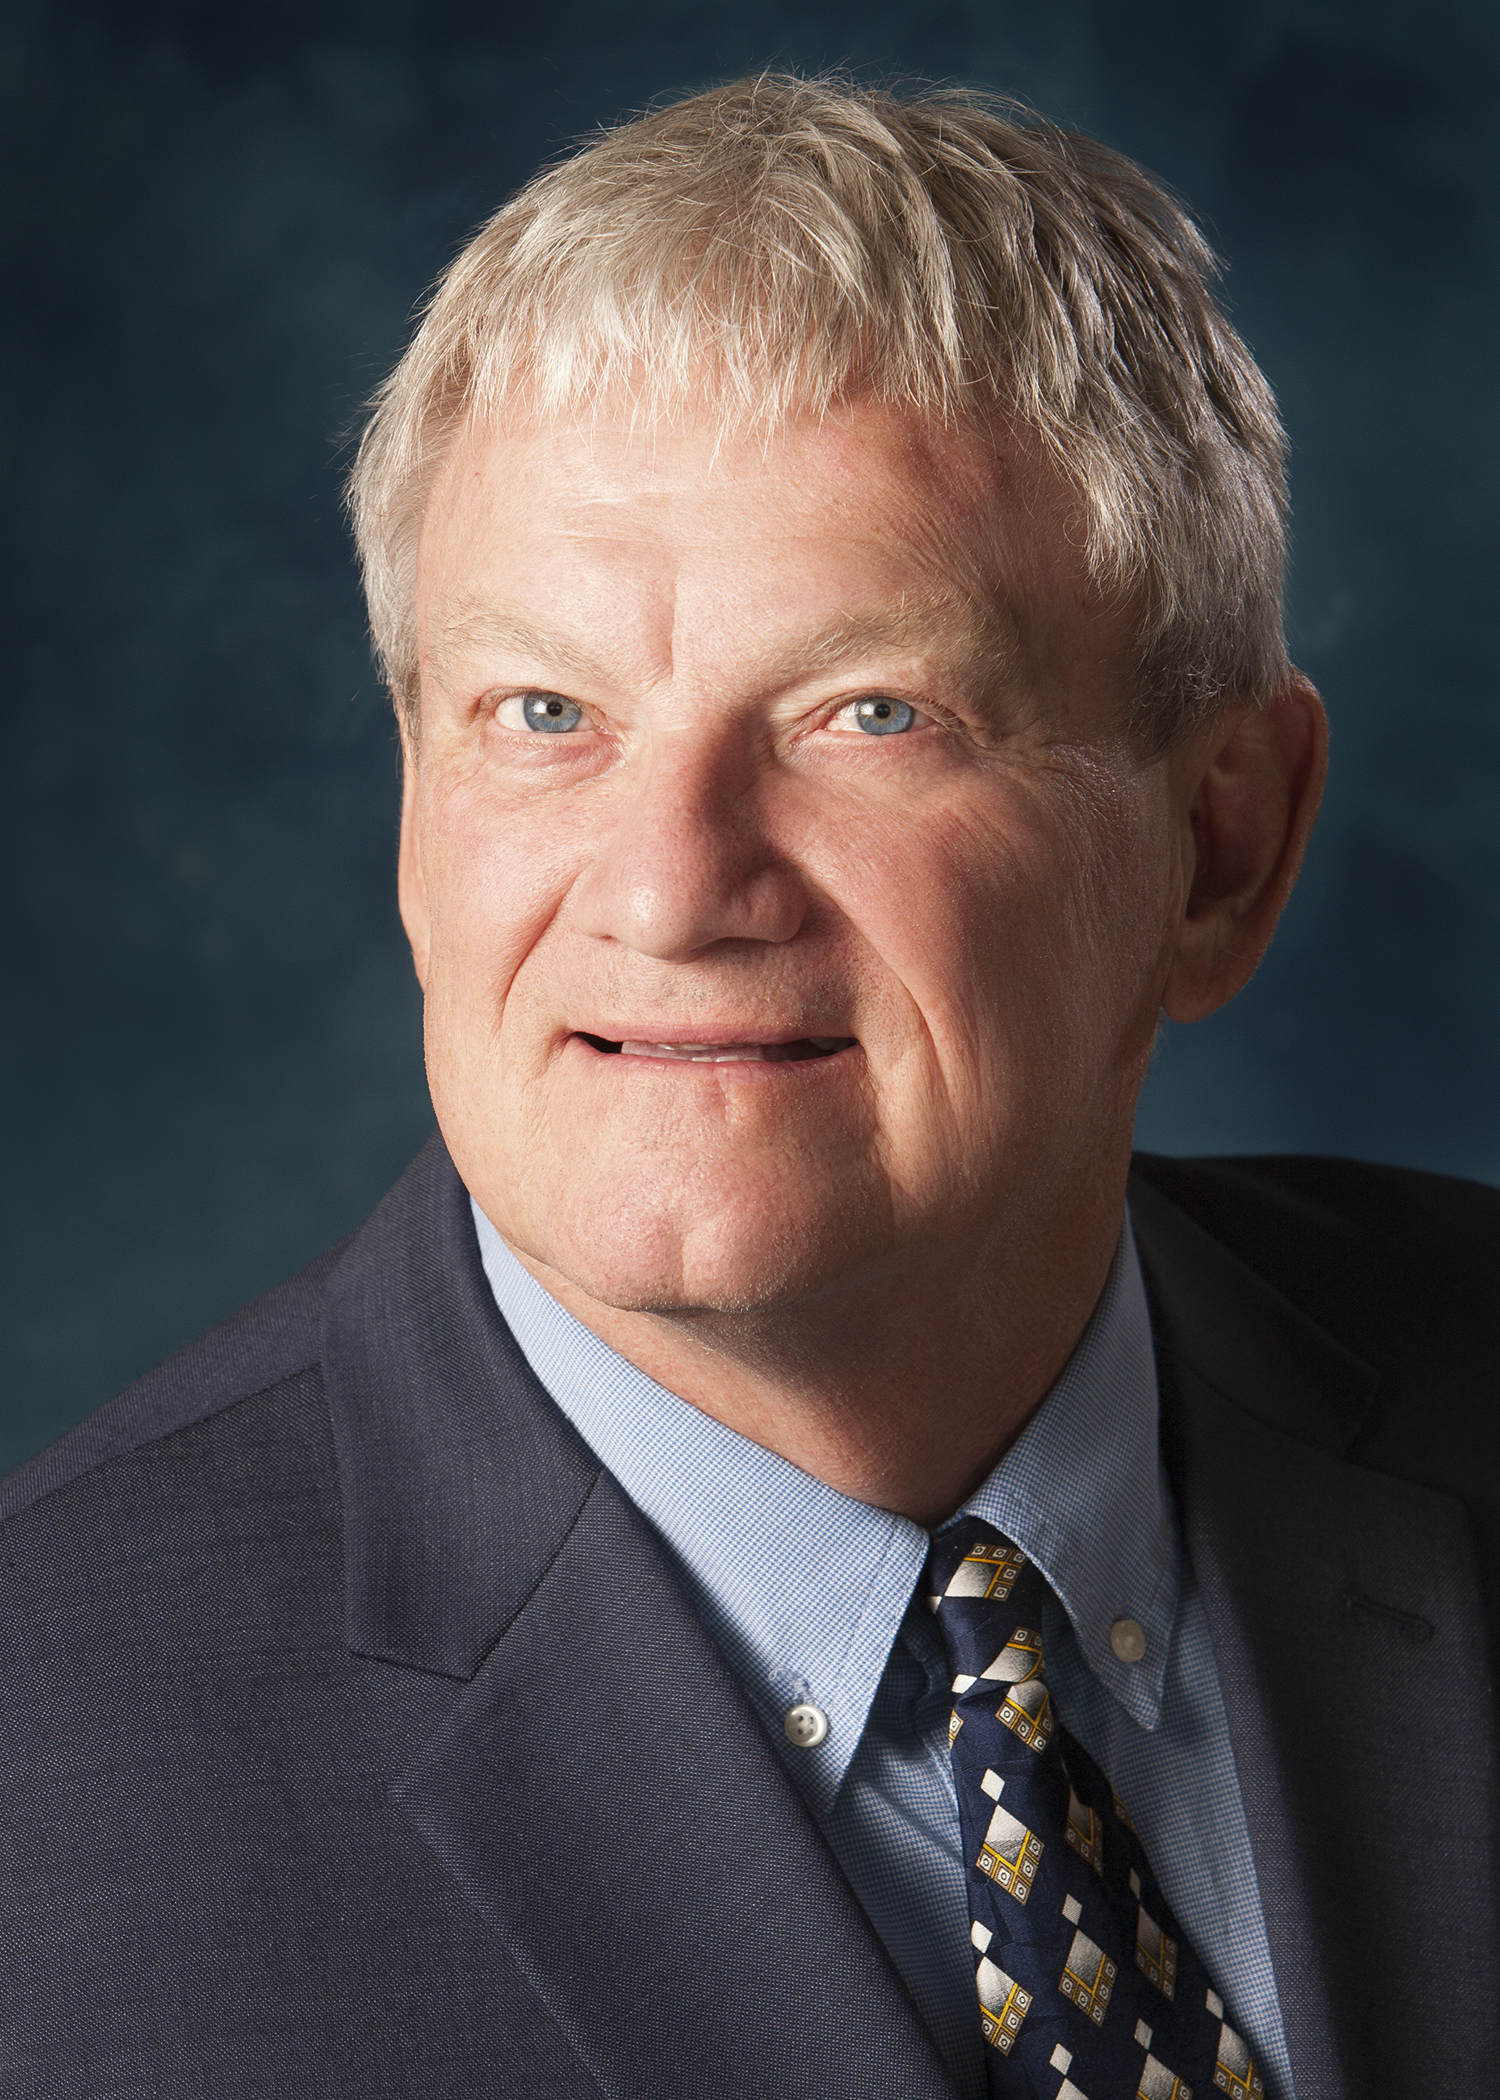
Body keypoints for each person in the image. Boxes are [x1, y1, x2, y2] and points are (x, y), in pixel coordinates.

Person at [1, 73, 1494, 2100]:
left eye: (872, 713)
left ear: (1218, 847)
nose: (671, 888)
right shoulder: (44, 1785)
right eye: (546, 710)